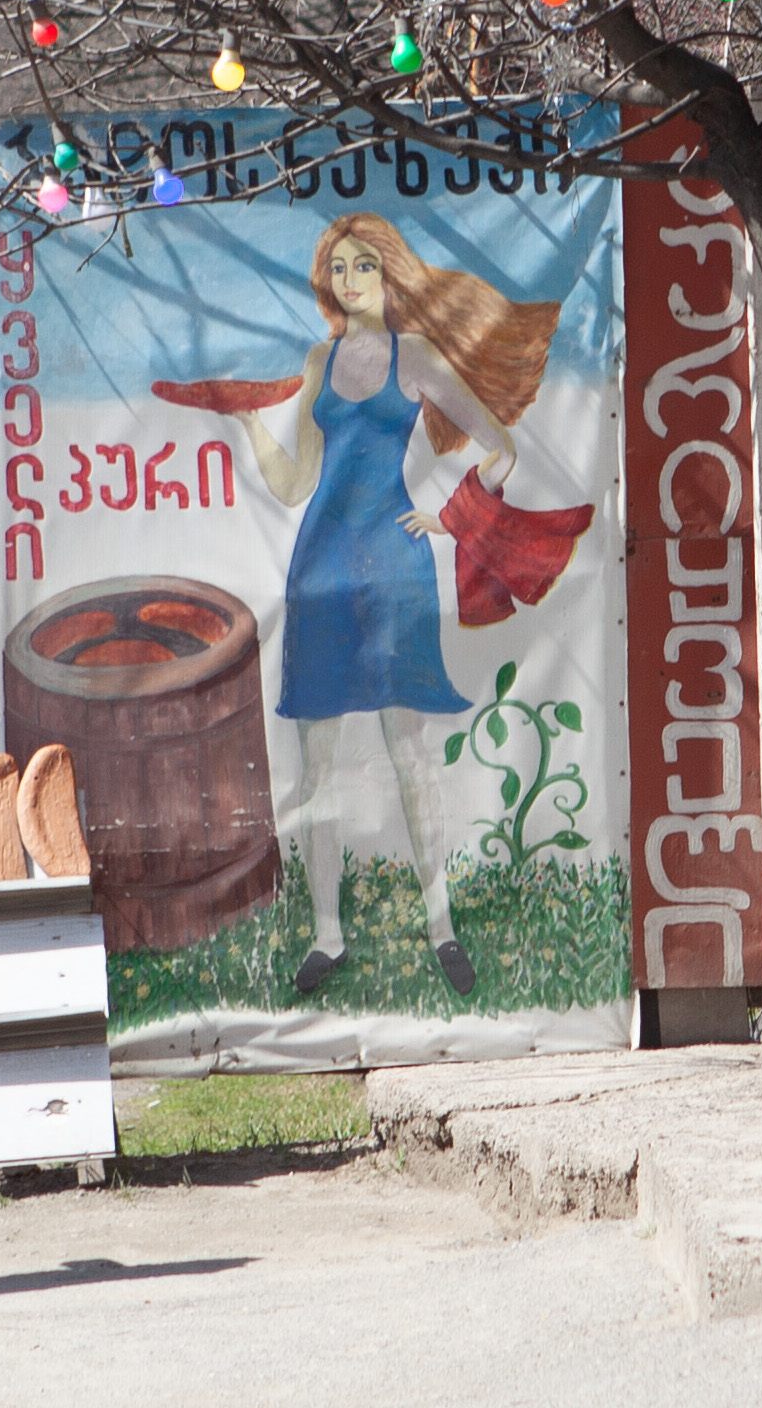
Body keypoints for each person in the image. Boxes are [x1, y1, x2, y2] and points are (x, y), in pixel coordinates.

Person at [232, 213, 561, 1002]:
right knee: (316, 767)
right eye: (337, 271)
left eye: (363, 268)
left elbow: (500, 444)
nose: (349, 283)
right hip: (319, 572)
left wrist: (446, 513)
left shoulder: (415, 359)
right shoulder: (320, 360)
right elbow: (292, 484)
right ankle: (326, 936)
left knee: (409, 758)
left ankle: (441, 926)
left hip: (394, 572)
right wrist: (249, 424)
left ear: (390, 275)